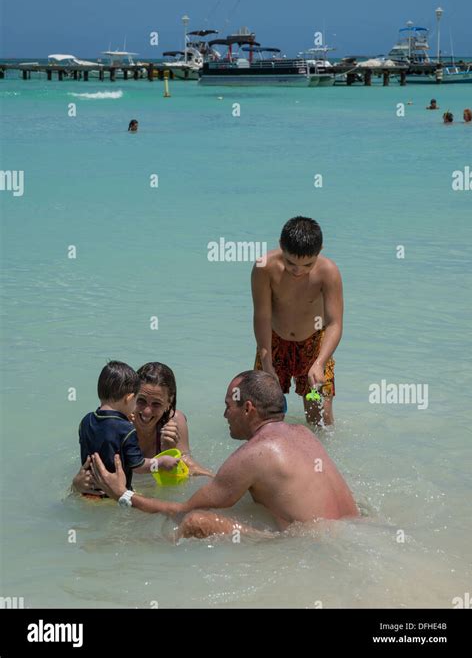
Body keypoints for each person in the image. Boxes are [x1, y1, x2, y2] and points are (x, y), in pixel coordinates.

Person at [90, 371, 358, 539]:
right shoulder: (303, 434)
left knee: (195, 522)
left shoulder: (254, 454)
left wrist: (123, 495)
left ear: (248, 408)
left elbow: (182, 511)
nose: (224, 414)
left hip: (313, 545)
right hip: (356, 529)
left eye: (229, 406)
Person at [252, 216, 343, 426]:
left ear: (320, 250)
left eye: (307, 265)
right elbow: (262, 316)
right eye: (290, 263)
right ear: (281, 246)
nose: (298, 271)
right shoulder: (264, 268)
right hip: (273, 344)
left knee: (319, 419)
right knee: (263, 417)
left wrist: (319, 363)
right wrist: (266, 360)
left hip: (313, 347)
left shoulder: (328, 272)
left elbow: (334, 323)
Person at [73, 361, 212, 496]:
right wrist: (76, 486)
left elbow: (190, 470)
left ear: (169, 403)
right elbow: (92, 470)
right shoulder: (113, 425)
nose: (146, 412)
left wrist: (170, 451)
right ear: (130, 397)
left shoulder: (174, 422)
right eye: (141, 400)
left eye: (156, 404)